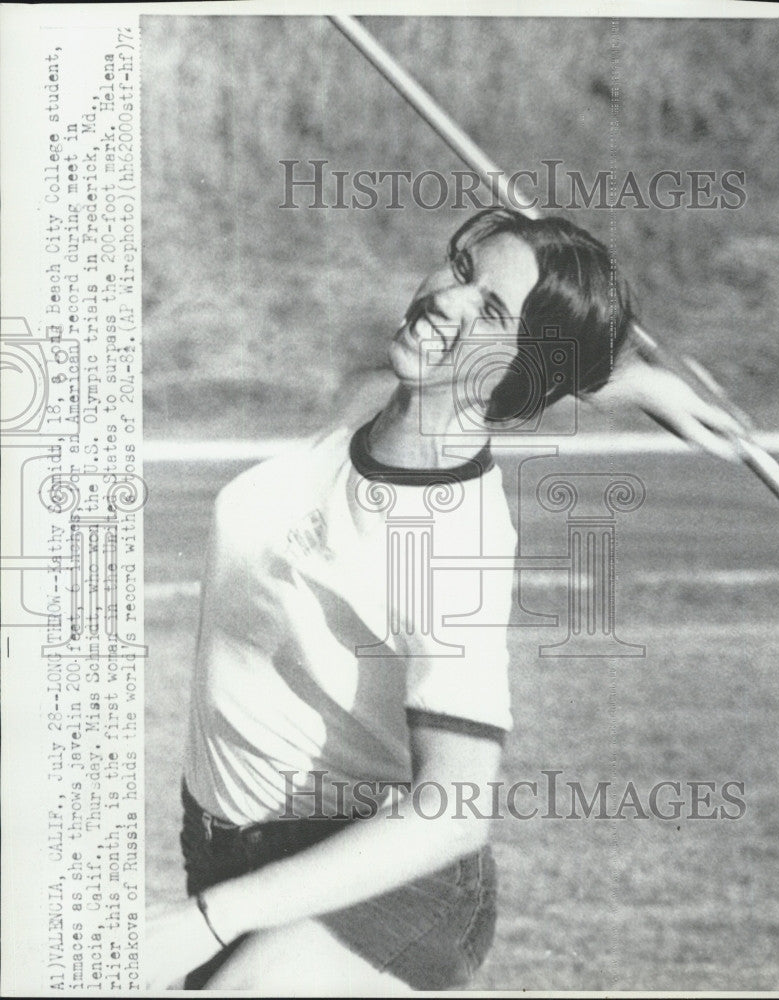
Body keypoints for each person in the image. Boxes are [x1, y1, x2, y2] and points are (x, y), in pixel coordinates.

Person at [146, 208, 742, 992]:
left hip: (383, 878)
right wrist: (615, 381)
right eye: (463, 272)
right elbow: (462, 389)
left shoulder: (449, 547)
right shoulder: (376, 400)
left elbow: (455, 807)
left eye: (492, 310)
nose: (447, 301)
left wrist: (207, 920)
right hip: (241, 856)